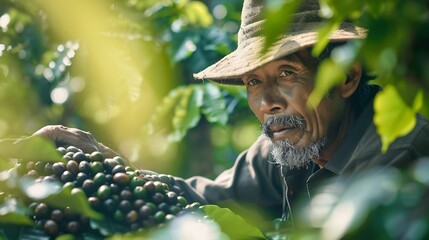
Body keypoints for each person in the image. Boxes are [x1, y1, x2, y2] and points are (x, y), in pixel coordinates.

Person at [31, 0, 429, 228]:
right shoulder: (295, 141)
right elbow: (204, 199)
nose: (266, 103)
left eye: (287, 73)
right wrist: (113, 166)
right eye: (254, 82)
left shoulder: (397, 160)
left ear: (347, 78)